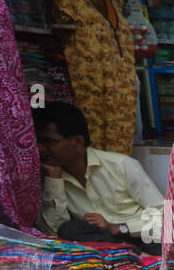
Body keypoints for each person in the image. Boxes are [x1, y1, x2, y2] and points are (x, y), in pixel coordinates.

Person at [34, 101, 163, 248]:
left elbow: (163, 214)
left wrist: (120, 227)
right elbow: (54, 232)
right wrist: (54, 178)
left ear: (78, 141)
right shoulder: (49, 177)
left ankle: (132, 255)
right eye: (38, 141)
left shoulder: (120, 165)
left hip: (142, 238)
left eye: (50, 142)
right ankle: (131, 256)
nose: (41, 149)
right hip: (105, 243)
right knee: (68, 230)